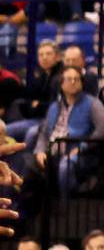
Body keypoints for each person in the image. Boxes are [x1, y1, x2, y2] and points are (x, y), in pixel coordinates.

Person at [33, 65, 104, 198]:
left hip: (78, 153)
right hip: (51, 151)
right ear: (61, 84)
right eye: (69, 79)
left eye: (77, 79)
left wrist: (83, 146)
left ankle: (67, 205)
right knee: (27, 164)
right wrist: (40, 151)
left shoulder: (92, 103)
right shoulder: (54, 106)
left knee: (65, 166)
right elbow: (44, 133)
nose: (73, 82)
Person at [8, 40, 63, 168]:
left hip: (50, 122)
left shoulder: (61, 77)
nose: (44, 57)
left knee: (31, 133)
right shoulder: (40, 78)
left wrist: (37, 105)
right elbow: (27, 103)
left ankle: (24, 173)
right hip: (35, 119)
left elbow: (54, 107)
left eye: (48, 54)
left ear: (57, 56)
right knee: (6, 130)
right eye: (41, 54)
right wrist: (37, 106)